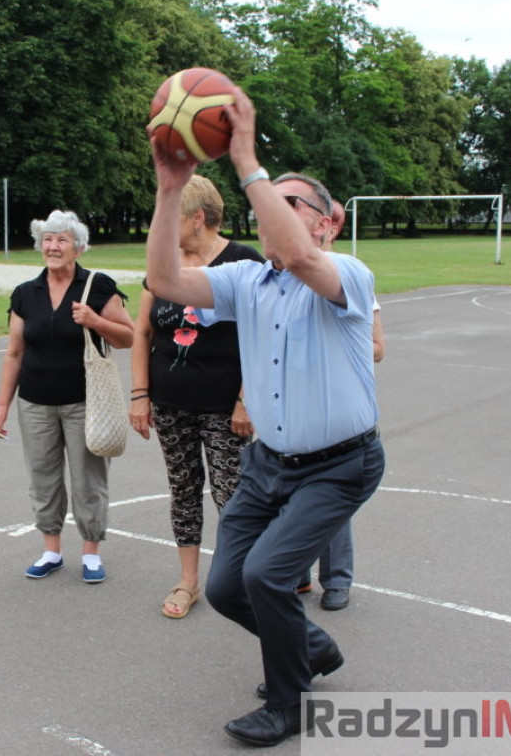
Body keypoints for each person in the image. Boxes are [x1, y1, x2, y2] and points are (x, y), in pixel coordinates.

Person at [145, 87, 385, 748]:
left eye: (290, 201)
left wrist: (246, 158)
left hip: (339, 465)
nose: (270, 207)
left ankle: (290, 703)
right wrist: (171, 190)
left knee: (266, 575)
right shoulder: (247, 280)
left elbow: (302, 259)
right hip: (267, 466)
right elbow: (164, 281)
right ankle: (311, 648)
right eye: (265, 197)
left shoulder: (347, 273)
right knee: (226, 588)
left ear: (328, 222)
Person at [128, 174, 264, 618]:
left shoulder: (243, 262)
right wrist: (140, 395)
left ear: (198, 219)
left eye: (172, 216)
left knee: (232, 495)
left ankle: (241, 578)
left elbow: (262, 336)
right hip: (170, 403)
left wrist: (246, 399)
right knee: (184, 490)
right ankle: (188, 583)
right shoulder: (163, 262)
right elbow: (144, 331)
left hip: (226, 406)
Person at [0, 210, 134, 584]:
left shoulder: (98, 286)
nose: (53, 246)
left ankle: (90, 553)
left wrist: (95, 321)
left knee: (88, 479)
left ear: (79, 247)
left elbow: (128, 337)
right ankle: (51, 550)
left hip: (85, 403)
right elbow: (15, 352)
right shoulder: (26, 293)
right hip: (34, 402)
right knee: (43, 478)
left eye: (62, 240)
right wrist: (3, 405)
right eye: (47, 240)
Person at [302, 200, 386, 611]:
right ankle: (296, 572)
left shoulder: (349, 279)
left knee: (331, 502)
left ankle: (336, 579)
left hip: (335, 412)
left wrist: (328, 345)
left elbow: (377, 347)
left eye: (334, 222)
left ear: (331, 228)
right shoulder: (283, 279)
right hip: (292, 408)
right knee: (286, 497)